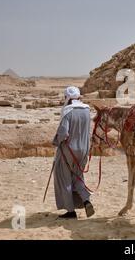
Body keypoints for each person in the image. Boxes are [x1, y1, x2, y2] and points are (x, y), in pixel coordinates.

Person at [52, 86, 94, 219]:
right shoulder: (87, 110)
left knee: (64, 178)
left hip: (68, 150)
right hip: (84, 149)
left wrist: (56, 141)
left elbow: (64, 133)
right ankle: (86, 200)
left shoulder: (67, 111)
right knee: (78, 176)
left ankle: (71, 211)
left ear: (67, 98)